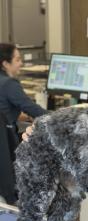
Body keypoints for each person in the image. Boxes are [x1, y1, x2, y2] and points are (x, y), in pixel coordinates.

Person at [0, 43, 47, 204]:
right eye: (18, 59)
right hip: (7, 148)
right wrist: (63, 117)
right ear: (5, 63)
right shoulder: (9, 84)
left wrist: (17, 116)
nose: (21, 63)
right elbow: (34, 110)